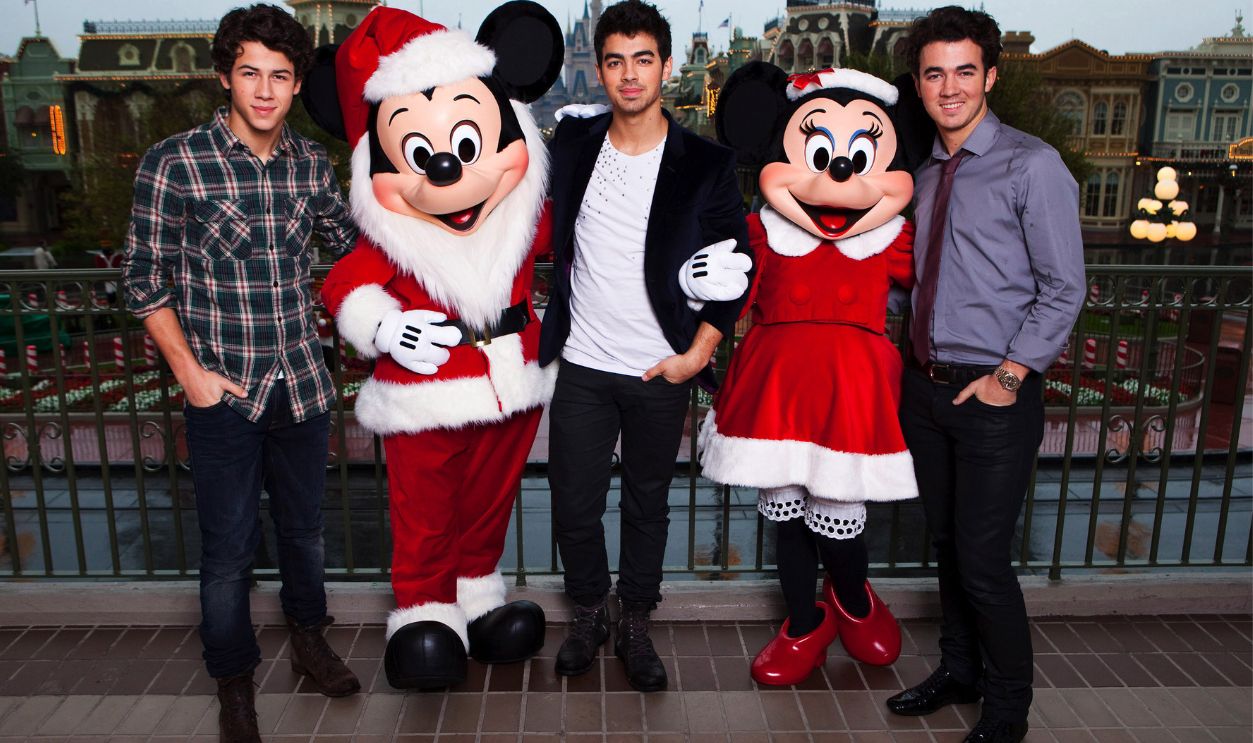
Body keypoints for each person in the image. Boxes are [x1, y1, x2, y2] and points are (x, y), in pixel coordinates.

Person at [122, 5, 360, 741]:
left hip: (303, 385)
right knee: (227, 552)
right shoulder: (174, 162)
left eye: (280, 76)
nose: (264, 90)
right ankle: (234, 681)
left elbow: (354, 244)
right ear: (224, 76)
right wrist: (191, 373)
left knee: (305, 532)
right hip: (222, 390)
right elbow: (141, 279)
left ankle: (311, 641)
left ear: (295, 85)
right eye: (250, 73)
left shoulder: (310, 164)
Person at [538, 0, 752, 692]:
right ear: (597, 69)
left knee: (646, 504)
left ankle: (635, 620)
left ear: (665, 65)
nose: (628, 75)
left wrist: (698, 353)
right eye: (614, 61)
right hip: (583, 362)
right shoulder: (570, 144)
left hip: (662, 364)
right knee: (573, 502)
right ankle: (587, 613)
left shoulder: (705, 163)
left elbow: (736, 266)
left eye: (642, 59)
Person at [889, 7, 1085, 743]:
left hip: (992, 393)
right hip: (926, 387)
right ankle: (958, 669)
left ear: (990, 76)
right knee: (946, 545)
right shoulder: (923, 176)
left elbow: (1064, 286)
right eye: (934, 73)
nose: (949, 88)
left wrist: (1009, 374)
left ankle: (1006, 711)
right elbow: (916, 281)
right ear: (917, 82)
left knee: (982, 561)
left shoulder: (1030, 165)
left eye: (964, 71)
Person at [701, 62, 919, 686]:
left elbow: (944, 286)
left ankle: (852, 599)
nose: (838, 171)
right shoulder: (763, 234)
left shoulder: (893, 240)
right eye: (818, 151)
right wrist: (696, 286)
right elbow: (727, 299)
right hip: (777, 396)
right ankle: (804, 622)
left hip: (849, 400)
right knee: (788, 519)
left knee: (840, 511)